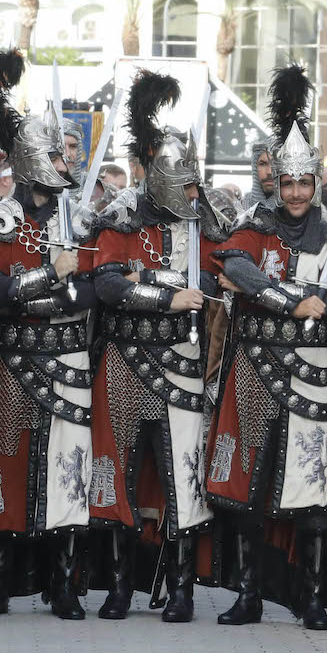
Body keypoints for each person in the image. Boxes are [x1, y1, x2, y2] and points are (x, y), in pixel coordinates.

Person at [204, 65, 327, 626]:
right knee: (251, 483)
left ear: (314, 183)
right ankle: (248, 595)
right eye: (286, 182)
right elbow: (234, 266)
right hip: (255, 362)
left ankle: (311, 597)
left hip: (315, 368)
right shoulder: (255, 221)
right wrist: (290, 299)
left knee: (312, 484)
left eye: (302, 183)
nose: (293, 192)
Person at [84, 70, 223, 622]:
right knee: (118, 472)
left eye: (195, 183)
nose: (192, 193)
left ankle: (183, 587)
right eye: (185, 184)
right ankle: (120, 586)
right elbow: (108, 284)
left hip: (182, 363)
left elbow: (221, 275)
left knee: (181, 474)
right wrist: (167, 291)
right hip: (125, 360)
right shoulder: (119, 217)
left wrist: (191, 288)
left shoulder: (201, 226)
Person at [0, 48, 96, 620]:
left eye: (64, 151)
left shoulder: (83, 221)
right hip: (15, 358)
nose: (62, 161)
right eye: (52, 152)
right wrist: (49, 276)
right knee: (6, 463)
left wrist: (60, 287)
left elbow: (98, 292)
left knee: (67, 468)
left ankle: (63, 582)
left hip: (69, 356)